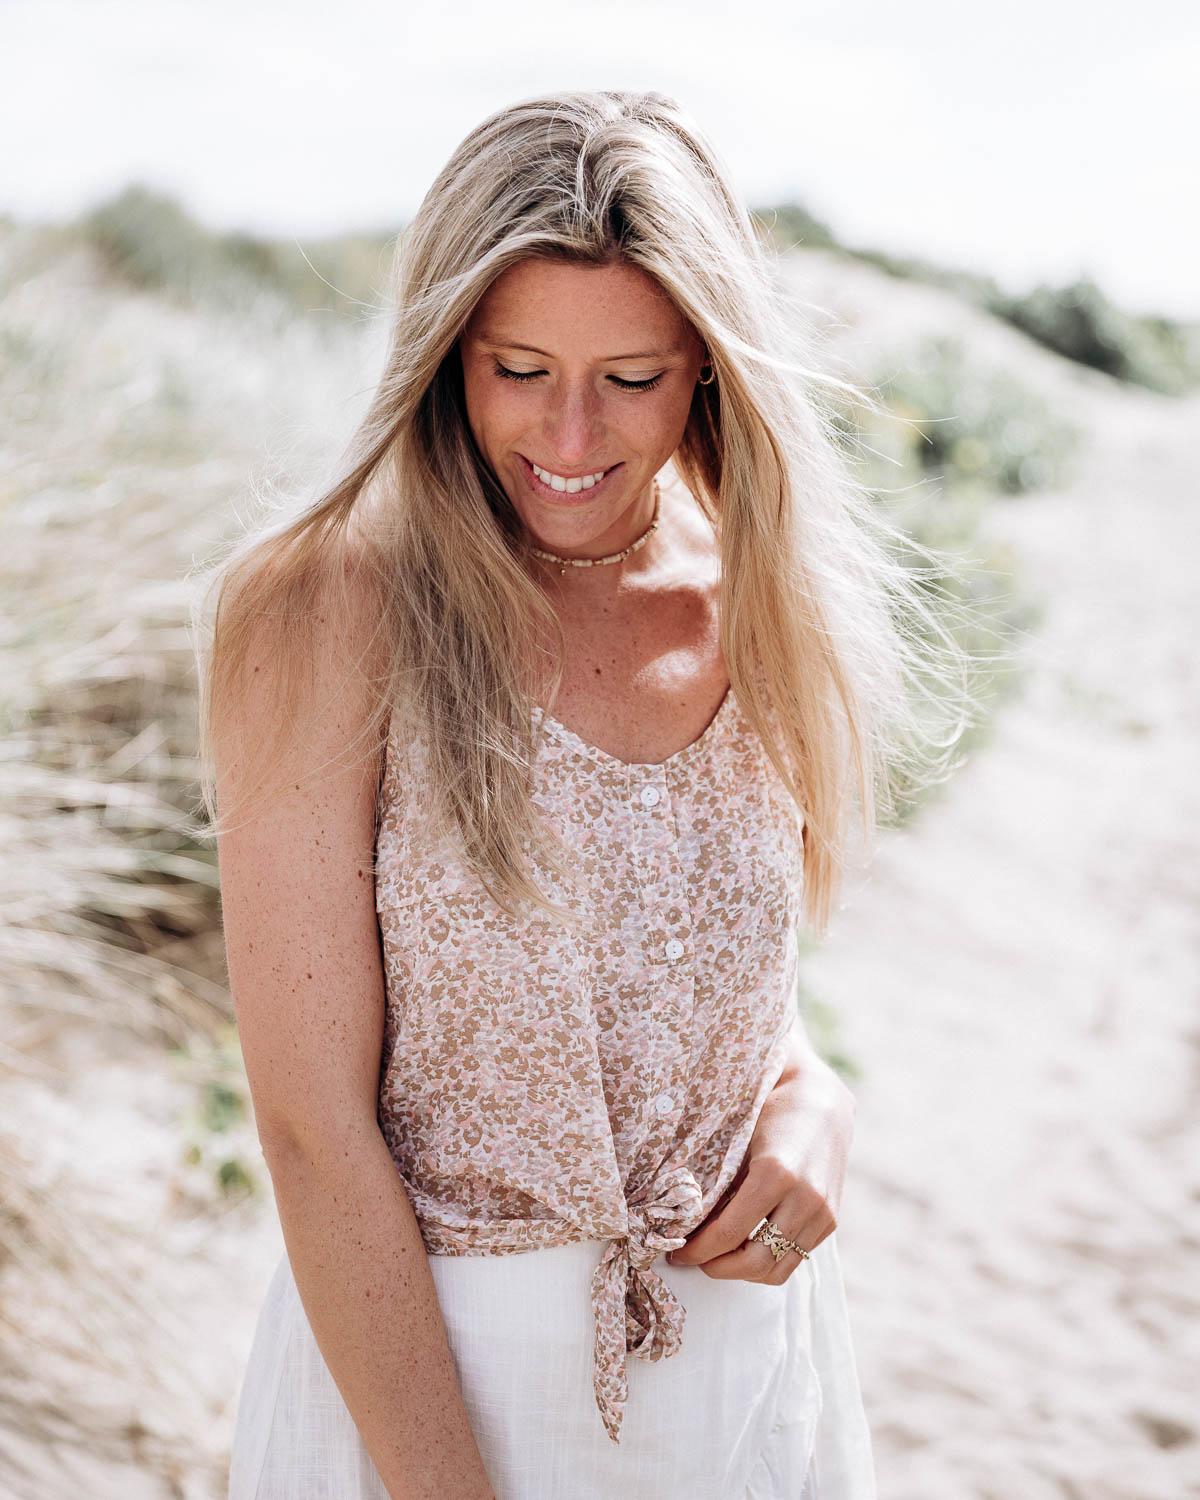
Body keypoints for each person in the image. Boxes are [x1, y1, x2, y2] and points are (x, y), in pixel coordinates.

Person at [199, 89, 969, 1500]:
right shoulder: (329, 610)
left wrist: (815, 1103)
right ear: (444, 352)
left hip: (744, 1377)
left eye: (630, 377)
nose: (569, 431)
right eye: (518, 367)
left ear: (708, 371)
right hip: (433, 1392)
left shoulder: (764, 603)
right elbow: (311, 1132)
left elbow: (689, 978)